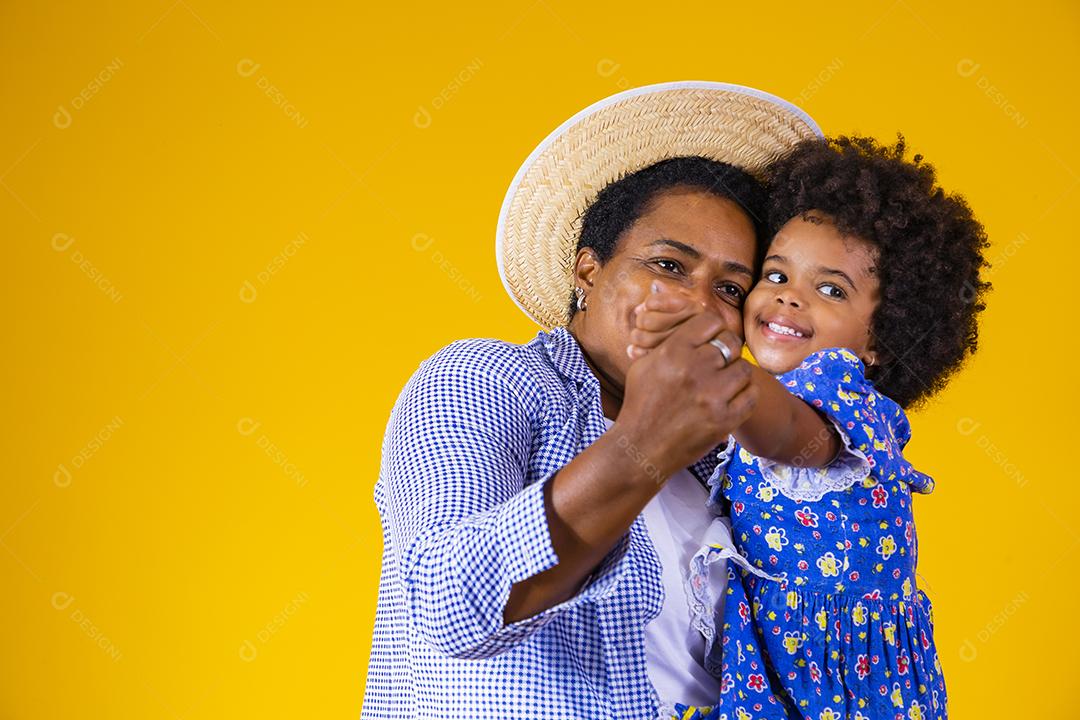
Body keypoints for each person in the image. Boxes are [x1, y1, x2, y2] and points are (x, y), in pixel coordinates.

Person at [360, 82, 821, 720]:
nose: (695, 304)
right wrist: (643, 447)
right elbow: (447, 606)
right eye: (667, 265)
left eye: (731, 287)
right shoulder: (486, 378)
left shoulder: (731, 463)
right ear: (588, 269)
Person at [627, 135, 990, 719]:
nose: (789, 299)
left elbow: (792, 435)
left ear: (879, 338)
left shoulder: (834, 390)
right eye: (774, 275)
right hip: (785, 662)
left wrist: (714, 367)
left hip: (842, 681)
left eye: (829, 290)